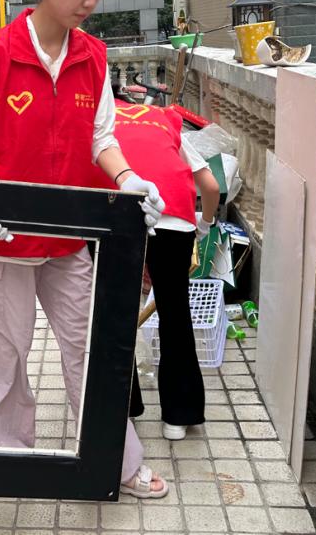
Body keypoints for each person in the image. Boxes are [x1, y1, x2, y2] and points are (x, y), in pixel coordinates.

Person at [0, 0, 170, 499]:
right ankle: (10, 463)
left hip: (68, 236)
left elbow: (101, 137)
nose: (91, 3)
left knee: (92, 348)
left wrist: (127, 179)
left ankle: (117, 461)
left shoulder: (92, 57)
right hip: (1, 239)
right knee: (4, 356)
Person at [108, 95, 221, 441]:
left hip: (117, 215)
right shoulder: (166, 121)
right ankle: (178, 418)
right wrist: (204, 224)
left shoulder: (101, 123)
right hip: (173, 216)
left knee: (116, 314)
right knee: (175, 315)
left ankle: (121, 408)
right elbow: (211, 186)